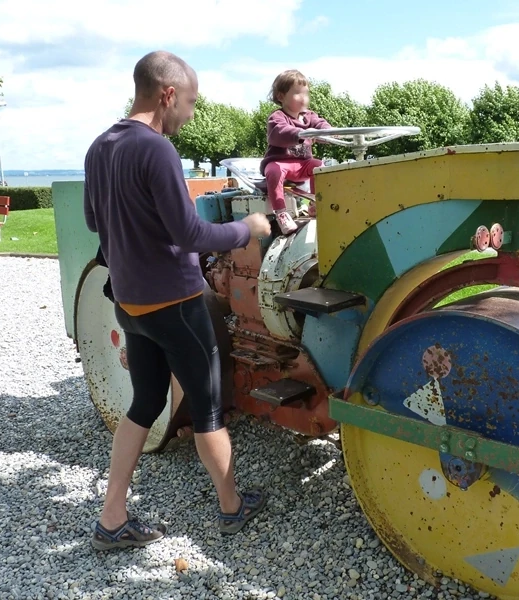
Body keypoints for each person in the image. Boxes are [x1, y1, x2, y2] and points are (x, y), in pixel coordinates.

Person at [83, 50, 271, 550]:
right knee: (209, 409)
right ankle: (232, 506)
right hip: (175, 305)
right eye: (189, 102)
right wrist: (245, 229)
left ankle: (112, 517)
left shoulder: (101, 147)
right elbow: (189, 233)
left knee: (144, 402)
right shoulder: (157, 149)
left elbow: (94, 223)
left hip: (131, 304)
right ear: (167, 94)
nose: (190, 114)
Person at [260, 69, 332, 235]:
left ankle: (316, 205)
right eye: (298, 94)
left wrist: (328, 133)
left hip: (303, 165)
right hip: (282, 163)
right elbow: (279, 132)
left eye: (306, 93)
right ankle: (281, 213)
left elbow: (321, 124)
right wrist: (299, 134)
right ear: (281, 96)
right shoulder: (277, 117)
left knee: (319, 166)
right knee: (274, 169)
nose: (304, 98)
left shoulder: (309, 116)